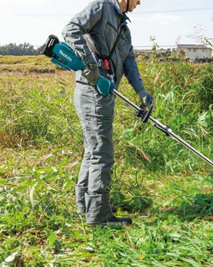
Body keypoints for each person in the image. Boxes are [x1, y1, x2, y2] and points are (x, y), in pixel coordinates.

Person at [62, 0, 154, 226]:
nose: (140, 2)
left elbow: (129, 60)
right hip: (92, 90)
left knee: (92, 151)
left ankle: (88, 204)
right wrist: (90, 64)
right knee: (102, 153)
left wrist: (141, 91)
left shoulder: (123, 26)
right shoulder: (101, 7)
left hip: (105, 92)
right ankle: (99, 215)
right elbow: (71, 29)